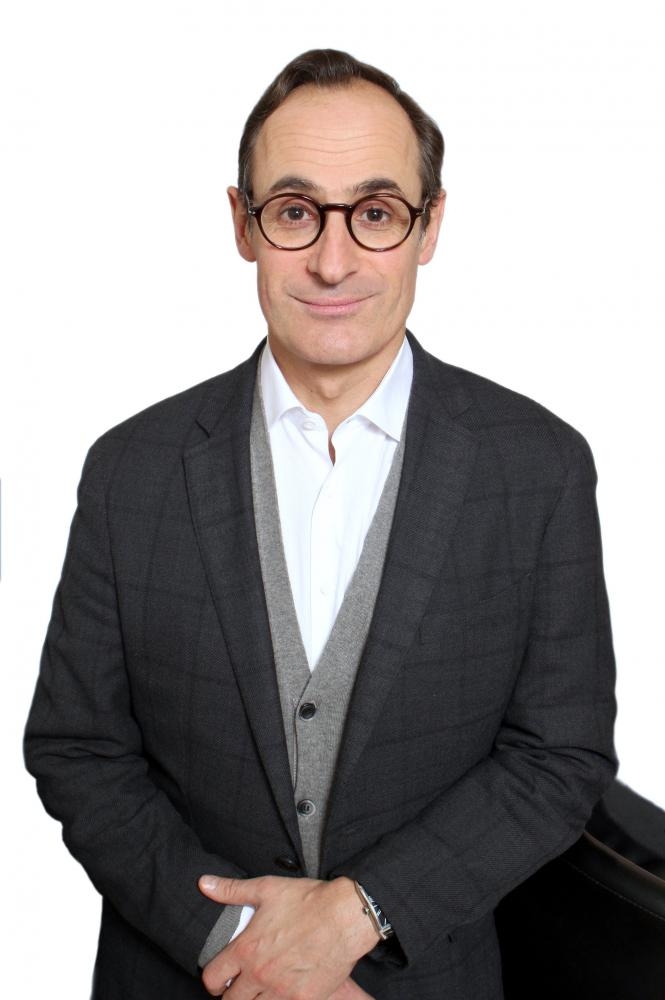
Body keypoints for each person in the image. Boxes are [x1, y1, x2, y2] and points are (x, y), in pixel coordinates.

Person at [24, 49, 617, 1000]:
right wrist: (239, 943)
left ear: (429, 226)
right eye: (295, 211)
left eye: (375, 213)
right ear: (242, 223)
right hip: (180, 976)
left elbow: (559, 757)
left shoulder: (537, 467)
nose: (332, 261)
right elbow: (77, 747)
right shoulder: (131, 469)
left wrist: (356, 917)